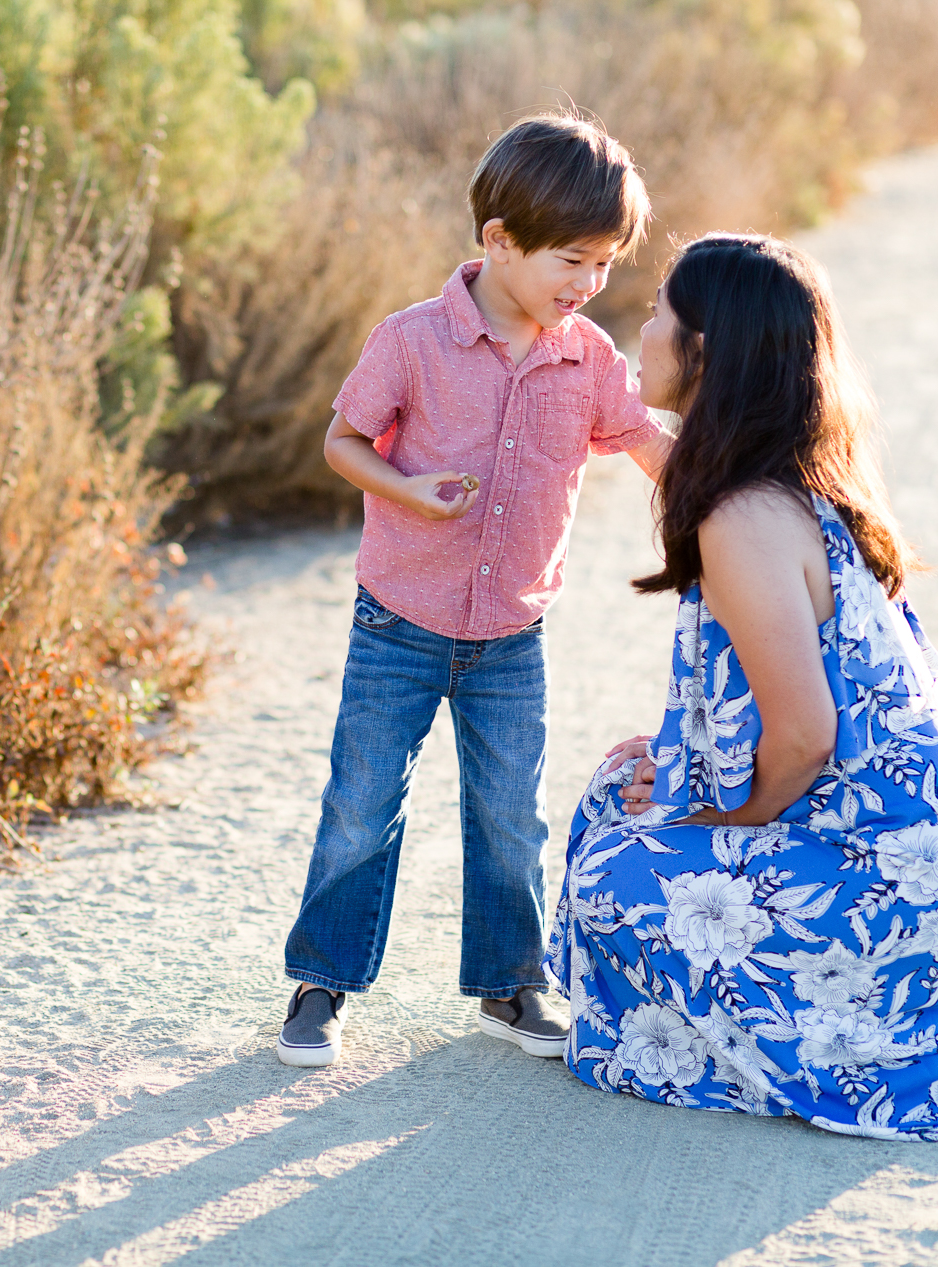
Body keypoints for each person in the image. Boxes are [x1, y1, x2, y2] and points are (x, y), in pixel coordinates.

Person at [546, 233, 938, 1138]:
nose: (643, 330)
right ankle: (757, 1030)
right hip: (912, 863)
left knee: (610, 879)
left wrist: (723, 823)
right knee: (618, 792)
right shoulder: (784, 487)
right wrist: (681, 769)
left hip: (895, 889)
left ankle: (782, 1051)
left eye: (662, 311)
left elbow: (809, 734)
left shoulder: (742, 515)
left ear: (706, 349)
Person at [276, 112, 672, 1068]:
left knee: (508, 812)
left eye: (605, 267)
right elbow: (343, 441)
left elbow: (650, 442)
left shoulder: (587, 360)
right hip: (398, 621)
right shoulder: (412, 341)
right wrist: (406, 489)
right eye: (571, 261)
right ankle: (322, 981)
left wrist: (743, 497)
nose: (587, 286)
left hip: (512, 633)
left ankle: (509, 983)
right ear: (499, 241)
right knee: (362, 801)